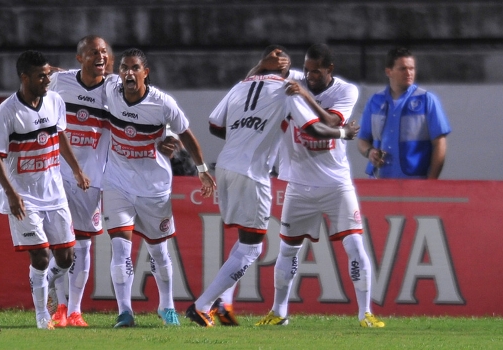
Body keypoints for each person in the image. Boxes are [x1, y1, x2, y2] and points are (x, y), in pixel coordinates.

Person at [185, 45, 359, 327]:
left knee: (244, 242)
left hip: (226, 166)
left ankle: (221, 301)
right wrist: (343, 133)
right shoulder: (287, 89)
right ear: (282, 69)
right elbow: (312, 129)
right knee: (252, 249)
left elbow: (215, 125)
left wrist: (248, 132)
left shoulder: (241, 85)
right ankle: (202, 305)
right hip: (253, 172)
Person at [250, 43, 385, 327]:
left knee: (355, 246)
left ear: (329, 70)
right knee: (287, 249)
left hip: (336, 184)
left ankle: (365, 313)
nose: (309, 76)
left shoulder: (346, 91)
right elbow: (251, 83)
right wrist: (265, 64)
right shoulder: (294, 79)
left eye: (316, 72)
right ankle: (279, 312)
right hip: (299, 184)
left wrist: (305, 96)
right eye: (307, 70)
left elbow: (331, 121)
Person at [102, 48, 216, 327]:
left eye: (135, 68)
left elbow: (186, 135)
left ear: (145, 72)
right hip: (117, 182)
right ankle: (125, 312)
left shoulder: (162, 104)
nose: (128, 72)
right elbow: (82, 78)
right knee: (120, 248)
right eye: (124, 68)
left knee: (158, 251)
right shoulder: (109, 90)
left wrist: (201, 170)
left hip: (153, 186)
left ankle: (166, 306)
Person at [0, 50, 90, 330]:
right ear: (24, 77)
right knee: (41, 256)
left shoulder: (54, 101)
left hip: (54, 193)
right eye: (41, 75)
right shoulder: (8, 111)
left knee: (66, 258)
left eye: (48, 74)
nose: (47, 80)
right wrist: (10, 193)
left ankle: (44, 282)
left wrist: (77, 170)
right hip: (24, 196)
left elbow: (61, 136)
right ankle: (43, 315)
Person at [45, 35, 112, 327]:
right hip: (58, 173)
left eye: (104, 52)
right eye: (94, 52)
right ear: (80, 58)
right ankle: (59, 307)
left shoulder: (114, 88)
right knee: (62, 243)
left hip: (92, 178)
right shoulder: (61, 83)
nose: (101, 57)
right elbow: (35, 82)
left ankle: (74, 310)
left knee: (83, 243)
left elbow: (144, 102)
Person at [357, 47, 452, 179]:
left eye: (411, 68)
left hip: (415, 181)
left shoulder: (426, 99)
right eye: (403, 69)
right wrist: (370, 152)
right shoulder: (375, 101)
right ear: (388, 71)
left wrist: (431, 182)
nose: (409, 73)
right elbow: (362, 140)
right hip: (380, 180)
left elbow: (440, 143)